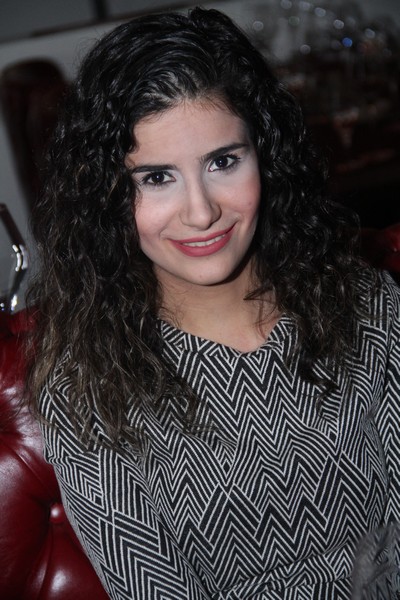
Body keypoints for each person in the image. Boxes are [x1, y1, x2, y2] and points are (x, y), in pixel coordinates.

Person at [26, 7, 400, 599]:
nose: (201, 212)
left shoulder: (369, 307)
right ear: (107, 195)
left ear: (265, 156)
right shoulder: (90, 390)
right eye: (156, 177)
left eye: (223, 161)